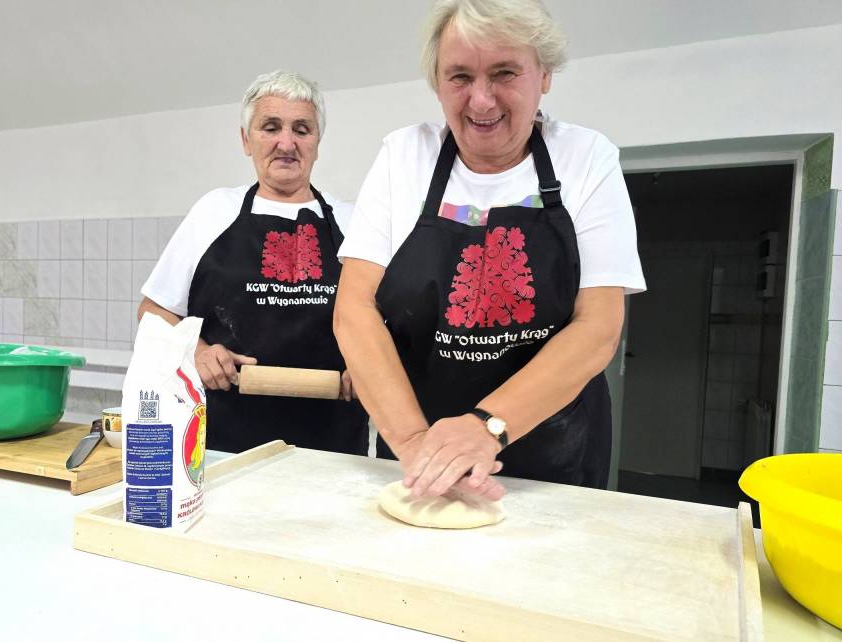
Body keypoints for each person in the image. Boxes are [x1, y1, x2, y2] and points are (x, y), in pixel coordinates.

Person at [334, 0, 646, 500]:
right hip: (423, 457)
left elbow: (598, 326)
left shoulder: (586, 158)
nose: (481, 101)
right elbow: (355, 309)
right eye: (459, 77)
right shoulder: (404, 157)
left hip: (554, 458)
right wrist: (413, 442)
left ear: (544, 75)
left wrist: (487, 426)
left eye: (504, 73)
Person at [140, 70, 368, 455]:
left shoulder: (353, 221)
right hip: (222, 442)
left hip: (333, 445)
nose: (286, 143)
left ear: (317, 142)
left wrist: (368, 367)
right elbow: (153, 311)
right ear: (246, 140)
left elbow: (386, 321)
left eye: (302, 129)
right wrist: (196, 350)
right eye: (270, 127)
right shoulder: (214, 212)